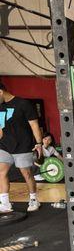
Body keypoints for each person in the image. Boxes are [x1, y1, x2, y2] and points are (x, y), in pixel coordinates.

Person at [0, 82, 43, 213]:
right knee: (1, 172)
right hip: (4, 145)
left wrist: (39, 144)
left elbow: (34, 125)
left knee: (27, 173)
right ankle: (5, 203)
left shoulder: (23, 104)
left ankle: (34, 199)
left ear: (0, 92)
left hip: (23, 145)